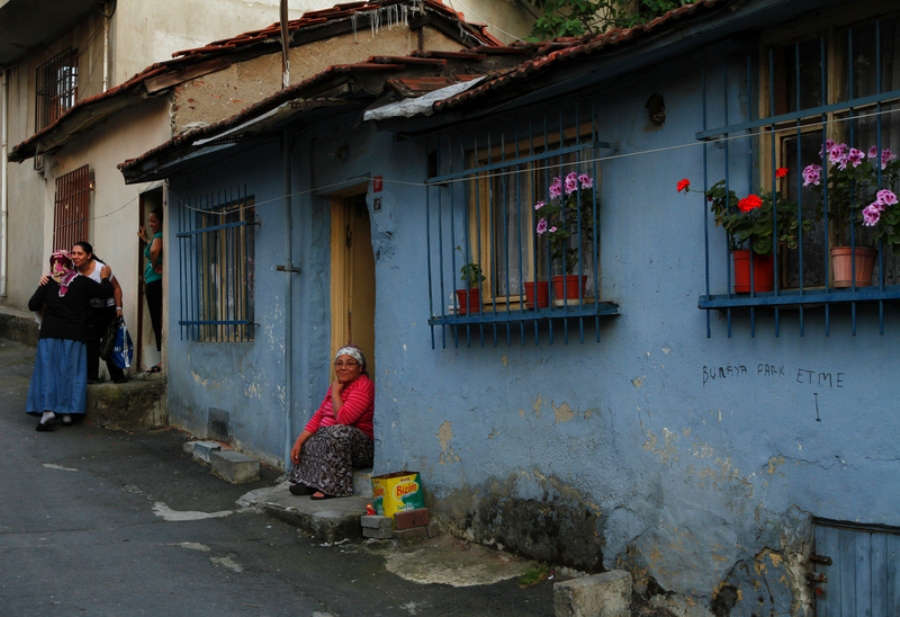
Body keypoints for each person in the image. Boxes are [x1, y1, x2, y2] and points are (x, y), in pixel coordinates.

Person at [27, 251, 113, 431]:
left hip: (50, 334)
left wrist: (42, 284)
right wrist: (105, 277)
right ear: (70, 264)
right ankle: (67, 414)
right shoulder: (81, 282)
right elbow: (105, 292)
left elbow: (33, 305)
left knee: (49, 373)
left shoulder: (48, 281)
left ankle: (48, 411)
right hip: (74, 336)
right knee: (70, 372)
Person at [288, 345, 375, 499]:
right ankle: (309, 482)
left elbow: (344, 420)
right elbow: (320, 414)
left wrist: (336, 393)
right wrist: (299, 441)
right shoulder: (337, 385)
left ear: (360, 368)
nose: (343, 368)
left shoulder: (363, 386)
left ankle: (333, 487)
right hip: (337, 441)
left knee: (337, 432)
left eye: (350, 363)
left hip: (362, 448)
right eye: (339, 363)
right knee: (313, 436)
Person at [72, 241, 127, 383]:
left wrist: (118, 308)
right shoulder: (74, 272)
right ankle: (92, 378)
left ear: (89, 255)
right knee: (92, 343)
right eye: (73, 253)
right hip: (91, 312)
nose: (76, 257)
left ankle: (118, 378)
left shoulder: (101, 269)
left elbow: (116, 288)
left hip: (108, 310)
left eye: (80, 253)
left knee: (109, 344)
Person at [137, 208, 163, 373]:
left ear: (161, 221)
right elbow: (152, 247)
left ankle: (161, 361)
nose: (150, 224)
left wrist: (153, 265)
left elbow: (154, 250)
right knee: (156, 319)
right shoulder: (156, 237)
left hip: (155, 282)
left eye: (153, 221)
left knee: (157, 320)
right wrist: (146, 239)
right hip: (153, 282)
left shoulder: (160, 236)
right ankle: (161, 359)